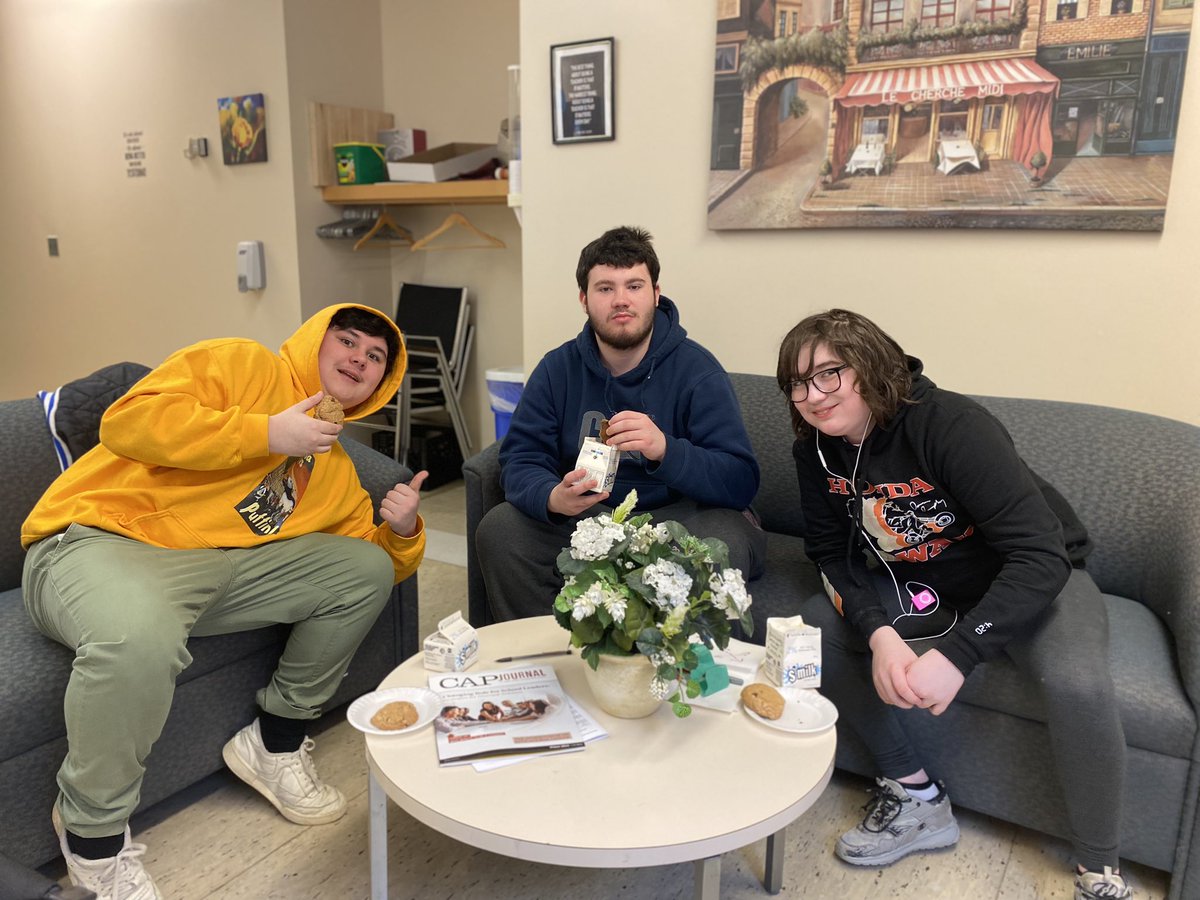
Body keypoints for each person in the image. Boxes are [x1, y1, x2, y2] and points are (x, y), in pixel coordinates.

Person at [21, 304, 427, 900]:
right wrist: (265, 433)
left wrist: (404, 530)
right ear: (314, 343)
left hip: (214, 571)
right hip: (101, 541)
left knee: (360, 568)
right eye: (347, 341)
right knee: (136, 638)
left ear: (378, 386)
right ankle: (92, 837)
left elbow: (375, 570)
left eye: (374, 358)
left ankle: (273, 743)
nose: (358, 360)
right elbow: (129, 420)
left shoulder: (334, 471)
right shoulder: (244, 365)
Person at [776, 309, 1130, 900]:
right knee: (813, 625)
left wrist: (958, 653)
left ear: (871, 366)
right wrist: (880, 634)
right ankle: (917, 797)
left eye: (829, 374)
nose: (813, 396)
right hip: (924, 586)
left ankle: (1100, 866)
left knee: (1079, 685)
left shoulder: (950, 424)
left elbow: (1039, 556)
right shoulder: (815, 451)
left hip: (1031, 575)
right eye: (798, 382)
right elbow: (830, 556)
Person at [476, 225, 764, 621]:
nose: (621, 300)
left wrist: (665, 449)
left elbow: (739, 479)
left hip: (679, 520)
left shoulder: (698, 370)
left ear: (656, 294)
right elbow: (521, 458)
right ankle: (547, 661)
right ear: (584, 299)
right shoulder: (557, 369)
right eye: (605, 288)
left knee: (724, 540)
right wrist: (551, 498)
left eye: (634, 285)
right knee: (501, 529)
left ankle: (671, 670)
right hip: (587, 521)